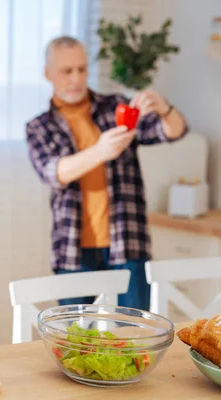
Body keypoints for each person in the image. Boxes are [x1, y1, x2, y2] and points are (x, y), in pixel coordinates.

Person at [26, 36, 188, 310]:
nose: (76, 78)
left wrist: (164, 108)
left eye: (82, 69)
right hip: (72, 252)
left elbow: (173, 131)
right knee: (76, 339)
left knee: (134, 336)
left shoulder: (116, 108)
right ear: (48, 73)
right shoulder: (39, 127)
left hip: (127, 242)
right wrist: (101, 150)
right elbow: (53, 172)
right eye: (67, 71)